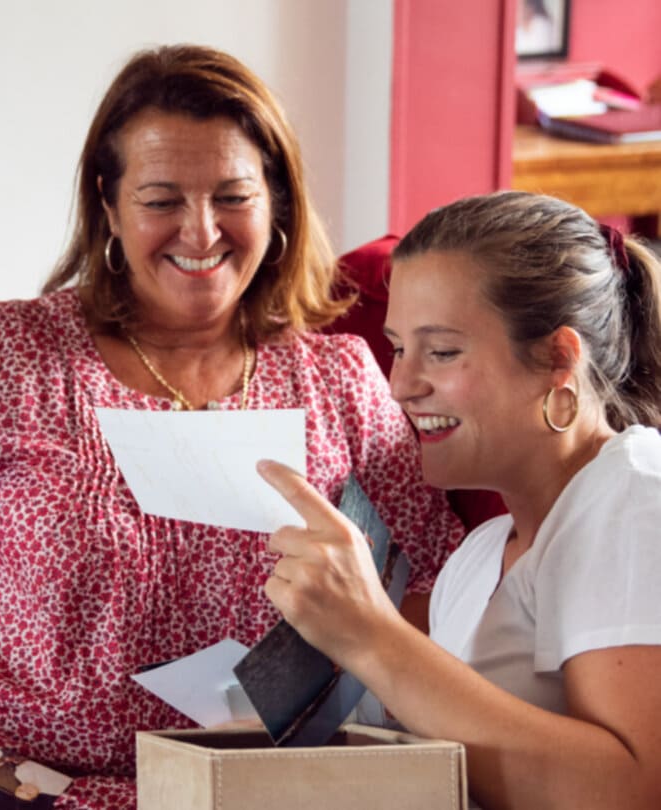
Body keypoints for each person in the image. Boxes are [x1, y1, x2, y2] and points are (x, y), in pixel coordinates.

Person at [0, 44, 464, 809]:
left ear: (277, 200)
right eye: (161, 200)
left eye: (232, 196)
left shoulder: (338, 379)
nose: (201, 231)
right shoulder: (1, 354)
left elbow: (444, 590)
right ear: (108, 204)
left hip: (252, 789)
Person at [260, 191, 661, 810]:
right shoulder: (479, 554)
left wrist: (370, 633)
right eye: (396, 348)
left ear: (558, 359)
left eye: (442, 352)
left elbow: (631, 789)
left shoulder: (634, 496)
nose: (400, 385)